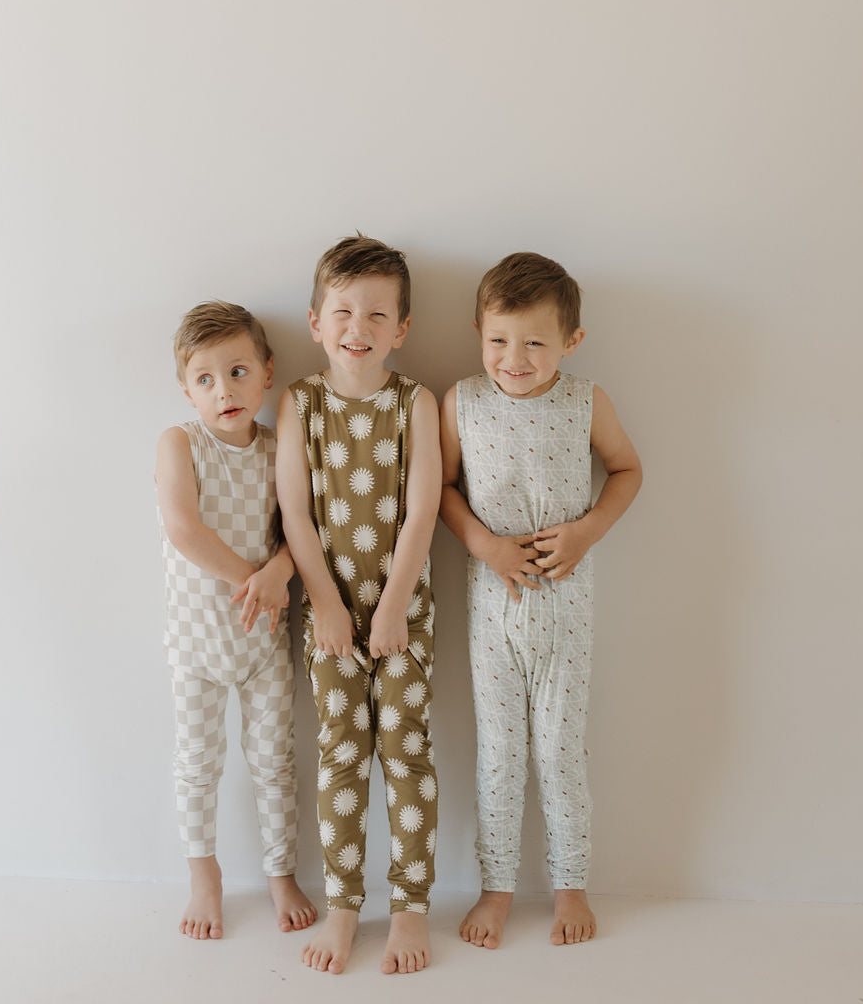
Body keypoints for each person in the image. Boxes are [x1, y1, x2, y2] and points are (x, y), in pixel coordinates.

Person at [439, 252, 642, 949]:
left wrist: (587, 531)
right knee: (499, 750)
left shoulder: (586, 402)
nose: (514, 358)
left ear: (570, 342)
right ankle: (496, 889)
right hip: (493, 606)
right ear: (478, 332)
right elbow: (440, 490)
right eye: (498, 339)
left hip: (565, 606)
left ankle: (570, 885)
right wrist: (484, 544)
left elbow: (626, 469)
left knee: (558, 750)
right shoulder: (460, 401)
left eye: (534, 342)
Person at [276, 236, 442, 976]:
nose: (359, 327)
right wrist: (327, 606)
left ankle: (410, 907)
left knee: (407, 755)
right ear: (316, 322)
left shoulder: (416, 402)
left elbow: (422, 512)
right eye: (343, 311)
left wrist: (393, 606)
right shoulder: (300, 405)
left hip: (403, 613)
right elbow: (296, 516)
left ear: (400, 329)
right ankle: (345, 903)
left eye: (378, 314)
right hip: (329, 615)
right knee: (342, 756)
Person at [155, 301, 316, 941]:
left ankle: (280, 873)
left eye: (239, 371)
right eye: (205, 379)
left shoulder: (279, 449)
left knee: (273, 759)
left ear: (268, 373)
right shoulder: (179, 443)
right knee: (198, 761)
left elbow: (301, 530)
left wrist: (279, 570)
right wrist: (250, 579)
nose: (224, 390)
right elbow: (182, 528)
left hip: (262, 639)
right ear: (187, 389)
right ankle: (204, 874)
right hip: (196, 641)